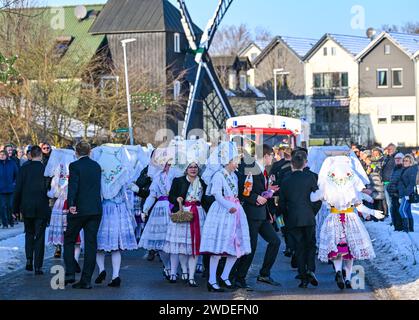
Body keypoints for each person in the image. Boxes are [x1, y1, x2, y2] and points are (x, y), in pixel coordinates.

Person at [313, 156, 382, 290]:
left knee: (337, 249)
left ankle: (338, 271)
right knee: (350, 251)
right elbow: (360, 206)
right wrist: (373, 212)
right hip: (350, 218)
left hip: (333, 218)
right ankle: (348, 278)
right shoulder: (351, 186)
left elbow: (318, 198)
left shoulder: (328, 184)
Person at [200, 142, 251, 292]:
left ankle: (225, 275)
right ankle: (211, 280)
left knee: (236, 247)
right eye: (236, 160)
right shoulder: (218, 175)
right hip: (222, 212)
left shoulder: (234, 176)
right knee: (218, 249)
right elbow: (216, 194)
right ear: (229, 160)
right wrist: (230, 206)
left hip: (235, 211)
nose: (238, 163)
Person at [233, 144, 281, 290]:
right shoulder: (251, 168)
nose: (272, 158)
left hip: (261, 214)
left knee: (275, 241)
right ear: (266, 155)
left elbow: (256, 189)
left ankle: (264, 274)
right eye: (271, 155)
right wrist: (255, 198)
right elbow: (244, 190)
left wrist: (268, 191)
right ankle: (239, 278)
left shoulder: (261, 170)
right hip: (252, 213)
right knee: (250, 247)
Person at [93, 145, 138, 288]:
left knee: (99, 245)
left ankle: (101, 269)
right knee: (115, 247)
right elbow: (127, 191)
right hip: (118, 210)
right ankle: (116, 275)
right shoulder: (122, 171)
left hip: (103, 209)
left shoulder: (99, 170)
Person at [163, 161, 211, 287]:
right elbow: (171, 196)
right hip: (183, 213)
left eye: (196, 167)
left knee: (194, 247)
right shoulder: (178, 180)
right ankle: (184, 270)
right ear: (186, 169)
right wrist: (177, 199)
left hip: (198, 214)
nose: (193, 169)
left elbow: (207, 199)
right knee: (183, 247)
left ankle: (191, 276)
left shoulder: (202, 182)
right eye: (190, 167)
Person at [279, 151, 321, 288]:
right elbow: (317, 199)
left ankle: (303, 277)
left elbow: (282, 203)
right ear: (304, 163)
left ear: (292, 164)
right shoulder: (310, 178)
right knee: (310, 245)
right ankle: (311, 269)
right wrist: (312, 212)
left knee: (299, 248)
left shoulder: (285, 179)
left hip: (292, 218)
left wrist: (284, 218)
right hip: (308, 216)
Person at [64, 141, 102, 289]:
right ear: (90, 151)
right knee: (91, 244)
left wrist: (71, 204)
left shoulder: (74, 166)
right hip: (95, 209)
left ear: (76, 152)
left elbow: (73, 186)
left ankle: (70, 273)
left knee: (69, 239)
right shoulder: (96, 166)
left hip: (79, 209)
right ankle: (86, 280)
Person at [13, 146, 51, 275]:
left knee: (29, 234)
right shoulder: (46, 169)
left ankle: (29, 259)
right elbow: (49, 189)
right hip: (41, 207)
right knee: (39, 237)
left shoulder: (24, 169)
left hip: (27, 206)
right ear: (40, 155)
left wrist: (15, 209)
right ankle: (38, 266)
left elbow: (17, 190)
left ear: (30, 155)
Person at [137, 160, 175, 281]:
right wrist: (145, 209)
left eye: (169, 163)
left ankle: (174, 270)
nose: (166, 166)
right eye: (165, 163)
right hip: (160, 210)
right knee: (161, 242)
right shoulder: (157, 177)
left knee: (174, 241)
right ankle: (167, 267)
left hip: (174, 207)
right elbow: (152, 195)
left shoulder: (177, 175)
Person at [398, 154, 418, 233]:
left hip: (407, 194)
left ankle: (406, 228)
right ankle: (411, 228)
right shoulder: (406, 169)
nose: (404, 162)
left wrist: (406, 194)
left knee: (402, 210)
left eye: (406, 161)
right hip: (404, 193)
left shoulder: (412, 169)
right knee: (408, 211)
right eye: (404, 160)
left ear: (411, 162)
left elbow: (411, 183)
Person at [0, 150, 19, 228]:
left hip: (11, 189)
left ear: (7, 155)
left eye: (3, 155)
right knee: (2, 206)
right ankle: (4, 224)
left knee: (10, 206)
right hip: (1, 190)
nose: (1, 156)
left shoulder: (12, 163)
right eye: (0, 155)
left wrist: (14, 183)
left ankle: (11, 221)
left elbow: (17, 175)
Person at [387, 153, 405, 231]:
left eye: (399, 158)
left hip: (399, 194)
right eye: (396, 158)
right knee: (394, 210)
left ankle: (400, 227)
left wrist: (400, 194)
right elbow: (392, 180)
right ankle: (396, 226)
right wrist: (388, 188)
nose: (397, 160)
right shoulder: (395, 168)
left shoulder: (403, 168)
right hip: (393, 193)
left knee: (399, 211)